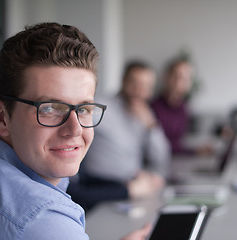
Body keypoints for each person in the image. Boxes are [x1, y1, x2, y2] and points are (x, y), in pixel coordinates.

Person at [0, 22, 150, 240]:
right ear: (2, 117)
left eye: (84, 109)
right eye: (51, 108)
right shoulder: (44, 222)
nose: (75, 129)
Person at [67, 61, 171, 211]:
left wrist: (151, 126)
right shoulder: (100, 107)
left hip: (133, 186)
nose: (139, 91)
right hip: (101, 188)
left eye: (146, 86)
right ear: (123, 81)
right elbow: (76, 128)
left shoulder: (145, 114)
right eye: (134, 84)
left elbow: (161, 157)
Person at [151, 56, 213, 156]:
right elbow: (161, 147)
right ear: (167, 77)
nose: (181, 82)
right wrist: (193, 151)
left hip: (177, 159)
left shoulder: (183, 108)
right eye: (177, 76)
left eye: (187, 78)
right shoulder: (153, 108)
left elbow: (179, 142)